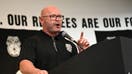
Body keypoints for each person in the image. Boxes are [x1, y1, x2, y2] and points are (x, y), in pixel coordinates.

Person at [19, 5, 89, 74]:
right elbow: (24, 64)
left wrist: (83, 53)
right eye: (52, 16)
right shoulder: (32, 41)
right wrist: (37, 72)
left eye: (59, 16)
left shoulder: (70, 44)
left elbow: (77, 67)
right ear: (41, 20)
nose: (57, 19)